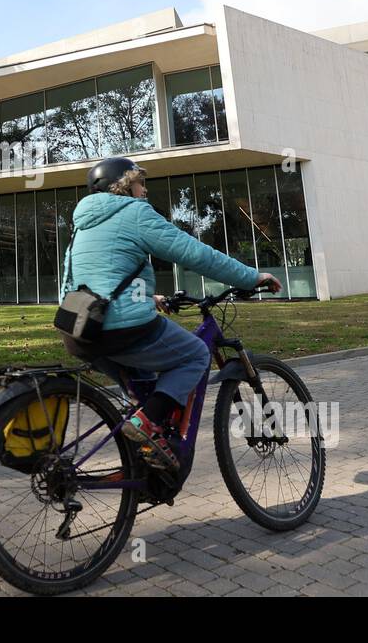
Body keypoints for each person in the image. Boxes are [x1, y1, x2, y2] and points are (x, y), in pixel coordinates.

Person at [62, 157, 280, 469]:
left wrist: (145, 298)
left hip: (79, 330)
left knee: (145, 389)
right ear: (122, 186)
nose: (145, 190)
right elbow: (194, 253)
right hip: (120, 330)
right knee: (194, 355)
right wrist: (250, 277)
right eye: (140, 182)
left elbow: (97, 280)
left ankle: (146, 462)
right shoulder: (134, 212)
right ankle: (144, 425)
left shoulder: (82, 225)